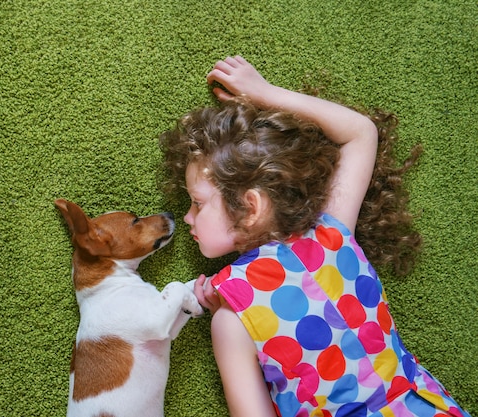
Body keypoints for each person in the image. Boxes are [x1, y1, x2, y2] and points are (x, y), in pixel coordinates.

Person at [160, 56, 470, 417]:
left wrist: (236, 313)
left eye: (198, 203)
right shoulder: (332, 230)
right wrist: (264, 93)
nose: (187, 217)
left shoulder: (230, 324)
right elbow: (360, 133)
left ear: (250, 206)